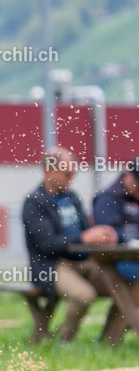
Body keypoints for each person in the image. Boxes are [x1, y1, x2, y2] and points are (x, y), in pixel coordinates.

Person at [22, 147, 132, 343]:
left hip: (84, 261)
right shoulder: (34, 203)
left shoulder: (73, 198)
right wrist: (85, 238)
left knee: (126, 286)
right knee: (84, 296)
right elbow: (47, 245)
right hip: (53, 266)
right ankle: (64, 342)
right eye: (67, 174)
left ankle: (109, 341)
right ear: (49, 171)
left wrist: (102, 237)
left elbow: (86, 232)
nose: (71, 178)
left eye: (74, 173)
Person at [92, 157, 139, 343]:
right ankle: (112, 339)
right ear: (127, 175)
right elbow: (108, 236)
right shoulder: (107, 198)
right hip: (115, 263)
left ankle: (110, 338)